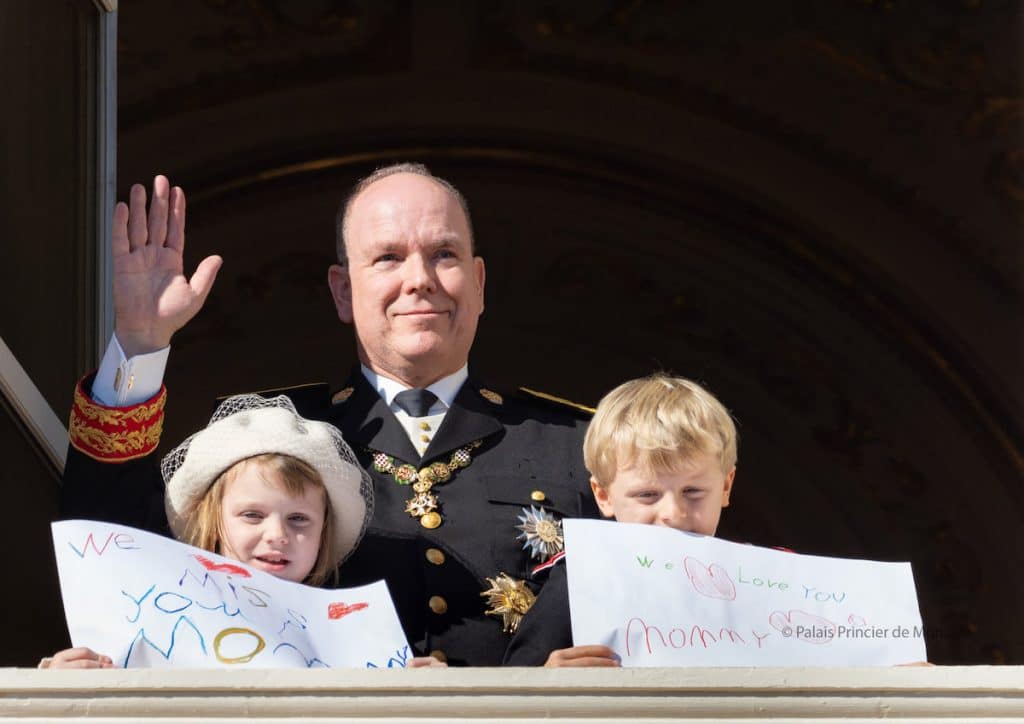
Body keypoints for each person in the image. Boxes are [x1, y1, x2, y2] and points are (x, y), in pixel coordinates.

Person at [60, 164, 599, 666]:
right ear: (342, 291)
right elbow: (119, 554)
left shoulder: (578, 446)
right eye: (388, 257)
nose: (420, 279)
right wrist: (139, 344)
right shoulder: (264, 432)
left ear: (479, 284)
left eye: (444, 255)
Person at [45, 394, 442, 669]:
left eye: (299, 519)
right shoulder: (149, 616)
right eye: (252, 515)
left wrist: (429, 699)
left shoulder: (360, 640)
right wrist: (60, 691)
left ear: (325, 531)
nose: (277, 535)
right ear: (213, 522)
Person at [502, 373, 737, 667]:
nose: (673, 514)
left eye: (693, 491)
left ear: (726, 486)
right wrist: (547, 678)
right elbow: (515, 685)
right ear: (604, 496)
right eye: (647, 494)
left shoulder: (762, 582)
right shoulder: (578, 577)